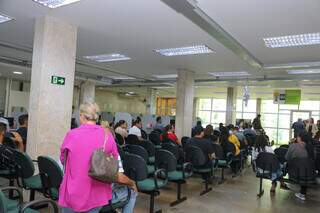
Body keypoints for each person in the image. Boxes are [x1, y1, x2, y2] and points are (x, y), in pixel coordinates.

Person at [59, 102, 137, 213]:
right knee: (131, 192)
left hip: (71, 195)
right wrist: (131, 183)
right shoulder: (107, 136)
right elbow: (116, 171)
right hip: (96, 197)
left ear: (81, 116)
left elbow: (63, 160)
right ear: (97, 117)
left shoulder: (71, 135)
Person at [285, 130, 314, 201]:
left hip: (294, 174)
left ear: (300, 138)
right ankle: (302, 194)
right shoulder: (311, 148)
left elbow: (287, 158)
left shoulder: (293, 146)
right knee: (304, 168)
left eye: (297, 137)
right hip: (308, 175)